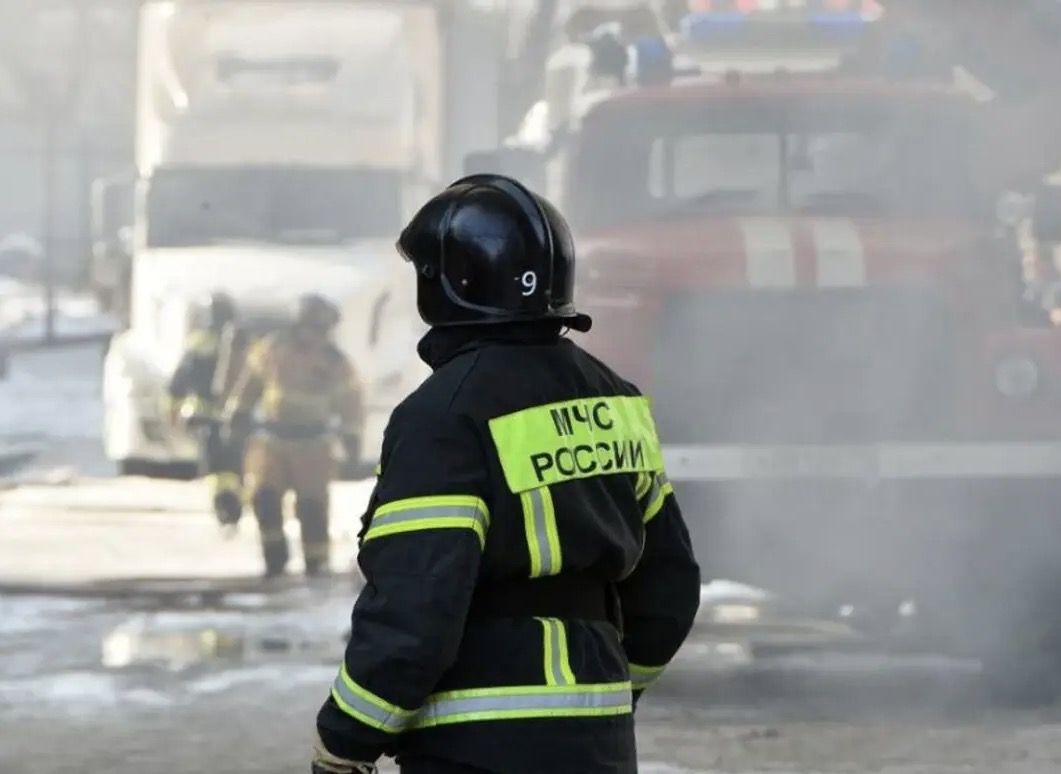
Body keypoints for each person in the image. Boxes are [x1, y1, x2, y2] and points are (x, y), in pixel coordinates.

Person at [310, 174, 700, 774]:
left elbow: (418, 603)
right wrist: (611, 688)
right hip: (600, 743)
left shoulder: (444, 414)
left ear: (446, 285)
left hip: (473, 747)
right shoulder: (616, 401)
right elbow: (669, 590)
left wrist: (345, 738)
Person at [223, 294, 363, 578]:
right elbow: (250, 382)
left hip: (314, 444)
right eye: (311, 329)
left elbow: (351, 402)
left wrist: (352, 440)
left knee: (312, 507)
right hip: (272, 440)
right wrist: (237, 414)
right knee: (264, 497)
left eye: (322, 331)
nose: (316, 337)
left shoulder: (335, 363)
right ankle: (274, 556)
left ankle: (316, 561)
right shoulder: (273, 349)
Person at [166, 291, 249, 529]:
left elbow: (179, 382)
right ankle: (236, 503)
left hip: (204, 416)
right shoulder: (245, 343)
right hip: (237, 415)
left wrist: (172, 409)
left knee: (214, 466)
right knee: (236, 464)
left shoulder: (198, 343)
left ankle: (223, 506)